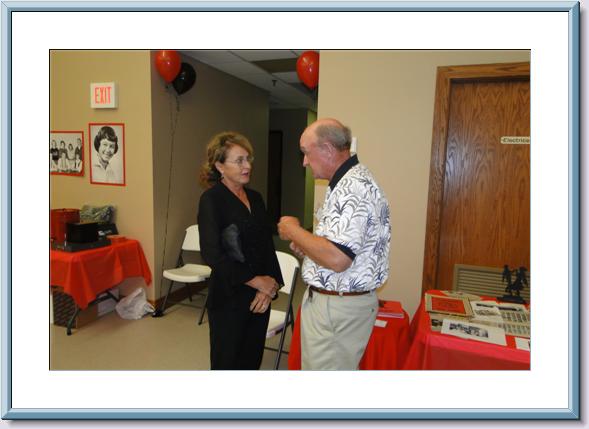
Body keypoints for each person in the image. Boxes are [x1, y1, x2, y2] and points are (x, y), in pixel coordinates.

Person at [277, 118, 391, 370]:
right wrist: (309, 246)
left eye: (306, 152)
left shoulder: (352, 188)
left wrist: (293, 230)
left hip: (336, 310)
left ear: (328, 149)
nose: (304, 162)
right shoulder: (347, 181)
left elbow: (338, 259)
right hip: (337, 305)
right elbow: (339, 247)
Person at [197, 131, 283, 370]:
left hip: (260, 296)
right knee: (228, 362)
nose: (247, 166)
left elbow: (267, 245)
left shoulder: (256, 198)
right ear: (220, 166)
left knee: (252, 359)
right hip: (229, 294)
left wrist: (270, 286)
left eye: (248, 159)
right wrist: (256, 281)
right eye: (239, 161)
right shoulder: (212, 200)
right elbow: (212, 254)